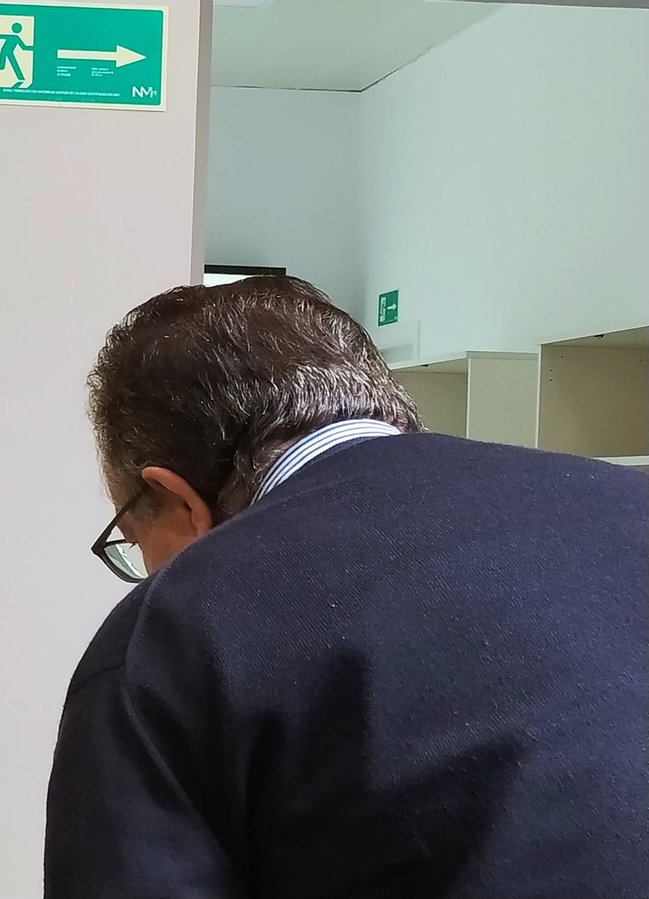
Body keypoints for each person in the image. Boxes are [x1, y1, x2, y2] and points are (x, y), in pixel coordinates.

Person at [44, 276, 646, 897]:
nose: (147, 570)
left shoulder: (172, 636)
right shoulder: (632, 506)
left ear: (174, 497)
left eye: (133, 538)